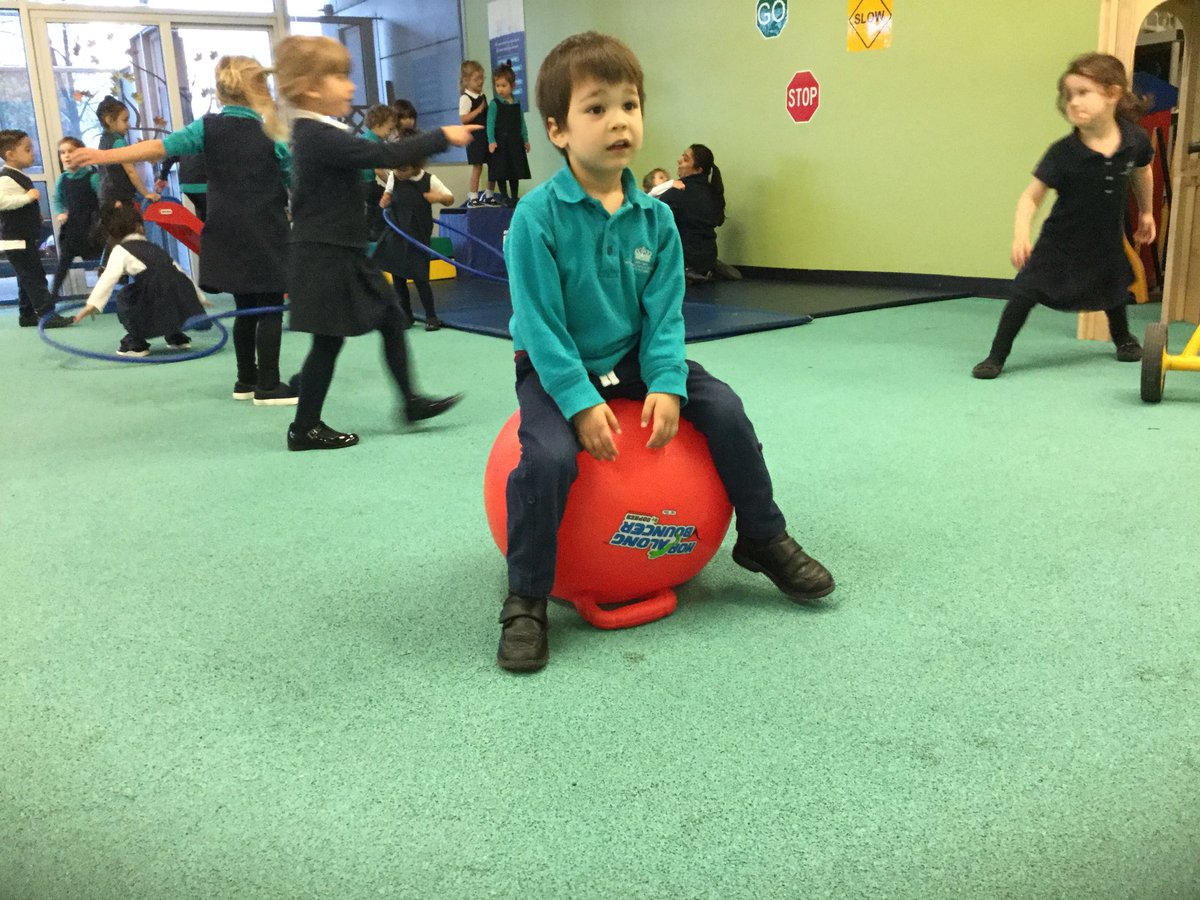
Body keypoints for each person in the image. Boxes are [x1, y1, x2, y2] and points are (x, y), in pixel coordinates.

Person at [496, 32, 835, 673]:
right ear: (558, 130)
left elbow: (664, 317)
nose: (618, 120)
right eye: (595, 109)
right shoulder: (535, 219)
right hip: (552, 363)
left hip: (633, 356)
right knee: (547, 459)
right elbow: (538, 325)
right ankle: (526, 598)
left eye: (629, 105)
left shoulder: (657, 220)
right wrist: (576, 400)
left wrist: (667, 382)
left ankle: (762, 536)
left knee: (727, 410)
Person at [273, 35, 473, 451]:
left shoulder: (324, 131)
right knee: (328, 342)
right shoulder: (315, 134)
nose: (350, 85)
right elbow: (380, 155)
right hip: (323, 256)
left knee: (390, 317)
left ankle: (410, 401)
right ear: (311, 88)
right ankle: (304, 428)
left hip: (343, 252)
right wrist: (441, 137)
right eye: (339, 76)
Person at [71, 57, 297, 405]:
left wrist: (100, 156)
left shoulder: (206, 128)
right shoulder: (271, 134)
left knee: (244, 306)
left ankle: (245, 381)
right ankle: (269, 386)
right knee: (267, 307)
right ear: (260, 91)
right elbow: (293, 179)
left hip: (224, 232)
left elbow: (157, 149)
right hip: (265, 231)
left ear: (222, 93)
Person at [972, 53, 1155, 379]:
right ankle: (996, 355)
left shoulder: (1134, 139)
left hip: (1105, 235)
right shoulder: (1063, 153)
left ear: (1113, 94)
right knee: (1024, 293)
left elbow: (1142, 171)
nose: (1073, 102)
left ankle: (1123, 339)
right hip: (1060, 239)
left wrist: (1146, 212)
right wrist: (1020, 234)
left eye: (1083, 93)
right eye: (1068, 95)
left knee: (1113, 286)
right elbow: (1031, 197)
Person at [72, 201, 207, 356]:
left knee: (126, 298)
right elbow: (179, 272)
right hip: (178, 296)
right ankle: (176, 336)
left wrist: (92, 304)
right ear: (140, 227)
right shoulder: (153, 247)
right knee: (164, 294)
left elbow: (108, 279)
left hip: (155, 296)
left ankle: (136, 343)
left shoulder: (120, 250)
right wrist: (198, 297)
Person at [377, 142, 455, 331]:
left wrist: (437, 198)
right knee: (398, 278)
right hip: (396, 233)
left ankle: (431, 316)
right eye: (396, 169)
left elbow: (449, 199)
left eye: (403, 169)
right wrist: (384, 200)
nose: (399, 173)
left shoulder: (429, 179)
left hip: (417, 235)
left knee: (420, 278)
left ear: (415, 166)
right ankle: (406, 316)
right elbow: (386, 197)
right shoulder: (394, 177)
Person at [0, 130, 74, 328]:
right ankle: (47, 314)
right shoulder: (6, 178)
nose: (33, 153)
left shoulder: (18, 176)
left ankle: (26, 315)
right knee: (34, 277)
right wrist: (27, 198)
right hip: (17, 240)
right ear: (10, 155)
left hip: (24, 238)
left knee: (26, 278)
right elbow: (2, 202)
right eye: (27, 149)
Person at [657, 143, 725, 281]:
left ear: (698, 170)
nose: (679, 160)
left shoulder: (675, 193)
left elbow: (656, 225)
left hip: (684, 261)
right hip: (708, 260)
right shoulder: (713, 193)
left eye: (686, 159)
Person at [49, 137, 104, 300]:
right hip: (72, 229)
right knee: (63, 263)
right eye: (62, 152)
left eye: (71, 151)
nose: (66, 156)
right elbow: (57, 199)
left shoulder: (92, 176)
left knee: (99, 262)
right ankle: (52, 296)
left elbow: (102, 198)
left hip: (92, 228)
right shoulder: (63, 179)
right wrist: (60, 212)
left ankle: (101, 296)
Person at [93, 97, 159, 208]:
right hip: (120, 198)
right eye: (125, 120)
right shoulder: (118, 142)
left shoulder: (103, 141)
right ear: (109, 121)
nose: (128, 125)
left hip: (107, 198)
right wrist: (146, 193)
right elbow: (131, 171)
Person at [486, 61, 531, 205]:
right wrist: (491, 140)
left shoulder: (517, 103)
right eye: (497, 85)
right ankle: (504, 196)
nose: (500, 89)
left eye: (503, 86)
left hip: (514, 142)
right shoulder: (495, 104)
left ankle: (514, 196)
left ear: (512, 86)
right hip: (500, 143)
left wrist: (525, 139)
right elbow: (490, 124)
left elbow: (521, 123)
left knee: (514, 169)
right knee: (501, 170)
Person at [459, 60, 498, 207]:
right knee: (478, 167)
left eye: (482, 78)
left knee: (493, 165)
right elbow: (463, 118)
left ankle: (489, 195)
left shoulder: (482, 96)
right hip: (474, 137)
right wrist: (478, 110)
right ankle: (473, 196)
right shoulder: (466, 98)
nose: (480, 82)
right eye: (476, 79)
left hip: (486, 136)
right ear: (466, 81)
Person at [361, 104, 398, 242]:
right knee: (386, 200)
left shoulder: (363, 138)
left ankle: (370, 228)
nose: (390, 133)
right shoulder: (375, 143)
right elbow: (379, 170)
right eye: (389, 129)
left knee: (373, 202)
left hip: (358, 184)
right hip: (366, 184)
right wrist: (392, 185)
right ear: (378, 125)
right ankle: (376, 232)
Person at [155, 152, 208, 221]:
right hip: (203, 182)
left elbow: (171, 156)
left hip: (186, 183)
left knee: (202, 212)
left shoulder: (186, 141)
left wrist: (163, 177)